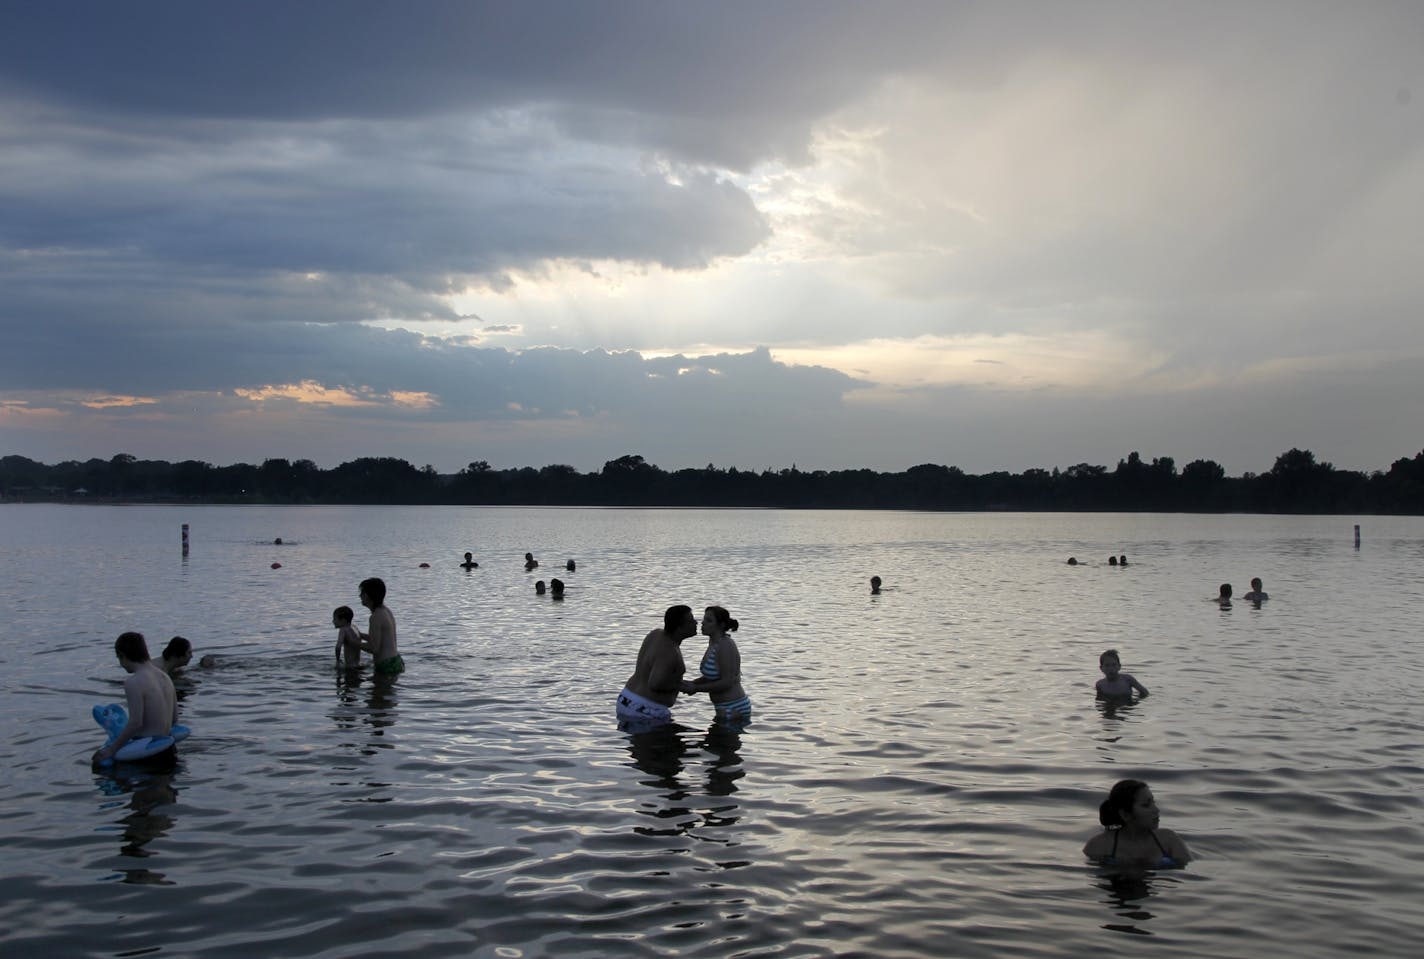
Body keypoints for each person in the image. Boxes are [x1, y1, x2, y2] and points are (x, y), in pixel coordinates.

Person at [93, 632, 178, 765]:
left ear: (122, 655)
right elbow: (174, 720)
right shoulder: (165, 677)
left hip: (145, 753)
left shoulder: (134, 682)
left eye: (118, 658)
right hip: (168, 749)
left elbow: (135, 723)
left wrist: (111, 750)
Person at [616, 605, 697, 726]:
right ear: (680, 627)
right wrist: (682, 687)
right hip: (645, 709)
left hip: (626, 698)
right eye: (691, 621)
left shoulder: (655, 634)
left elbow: (657, 675)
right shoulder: (670, 651)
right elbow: (655, 683)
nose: (696, 622)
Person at [1083, 779, 1191, 868]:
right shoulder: (1099, 845)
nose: (1156, 810)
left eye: (1153, 802)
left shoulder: (1169, 840)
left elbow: (1185, 873)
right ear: (1125, 815)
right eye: (1146, 805)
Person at [681, 606, 752, 723]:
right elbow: (713, 676)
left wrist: (696, 688)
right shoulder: (713, 642)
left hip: (733, 707)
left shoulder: (726, 645)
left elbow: (727, 682)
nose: (702, 623)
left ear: (721, 625)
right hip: (724, 707)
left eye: (709, 620)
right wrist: (692, 683)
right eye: (704, 619)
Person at [358, 577, 403, 675]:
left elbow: (374, 648)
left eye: (362, 593)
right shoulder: (386, 611)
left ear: (368, 596)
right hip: (396, 661)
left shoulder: (375, 617)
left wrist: (353, 643)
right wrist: (360, 635)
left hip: (386, 666)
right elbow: (379, 640)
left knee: (379, 690)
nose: (360, 596)